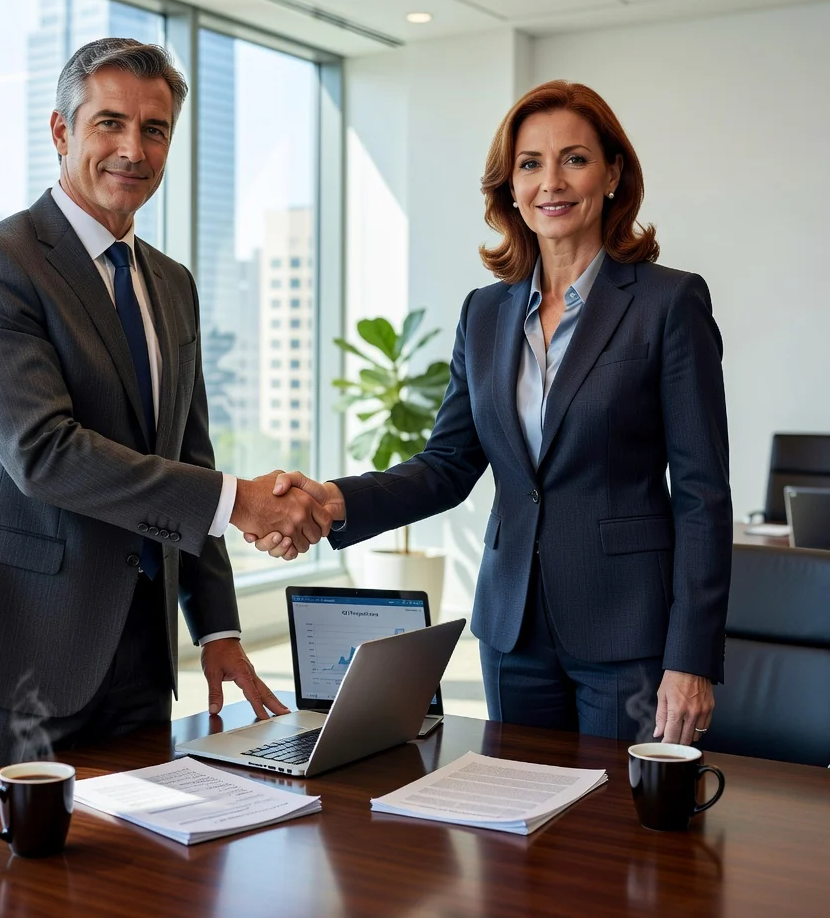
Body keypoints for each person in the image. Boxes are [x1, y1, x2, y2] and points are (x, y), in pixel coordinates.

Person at [250, 80, 733, 746]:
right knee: (519, 807)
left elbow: (703, 495)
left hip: (629, 630)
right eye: (530, 163)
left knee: (618, 812)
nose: (551, 182)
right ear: (510, 186)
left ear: (613, 174)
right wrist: (333, 501)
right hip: (513, 630)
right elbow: (447, 466)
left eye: (574, 159)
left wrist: (692, 658)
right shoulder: (484, 314)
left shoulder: (668, 303)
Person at [0, 39, 331, 781]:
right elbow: (45, 453)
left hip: (138, 656)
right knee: (4, 857)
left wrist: (219, 628)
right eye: (109, 123)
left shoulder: (171, 283)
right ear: (61, 131)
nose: (133, 149)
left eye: (154, 129)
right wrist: (241, 502)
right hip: (14, 648)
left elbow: (187, 458)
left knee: (142, 853)